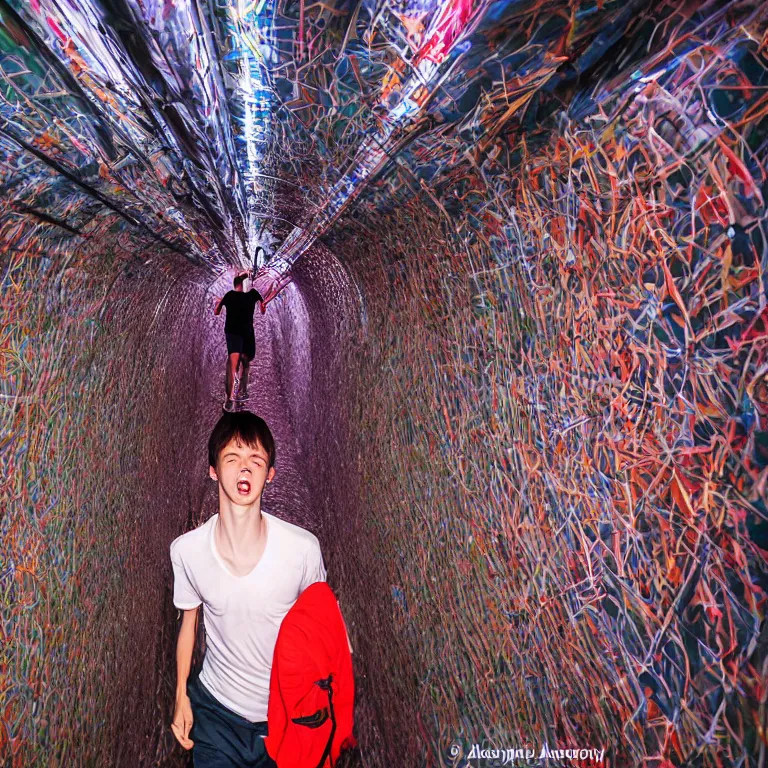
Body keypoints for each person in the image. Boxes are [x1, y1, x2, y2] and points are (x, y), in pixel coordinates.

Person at [169, 411, 327, 768]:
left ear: (269, 475)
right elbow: (188, 625)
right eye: (232, 458)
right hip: (216, 715)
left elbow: (319, 630)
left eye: (256, 460)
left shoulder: (302, 550)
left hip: (284, 719)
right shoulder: (187, 551)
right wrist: (181, 695)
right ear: (213, 470)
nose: (245, 469)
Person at [214, 271, 263, 411]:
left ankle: (230, 398)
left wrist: (219, 303)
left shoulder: (229, 295)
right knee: (244, 364)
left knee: (233, 365)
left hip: (233, 332)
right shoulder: (252, 295)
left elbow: (216, 312)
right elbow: (263, 304)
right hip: (245, 333)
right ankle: (239, 393)